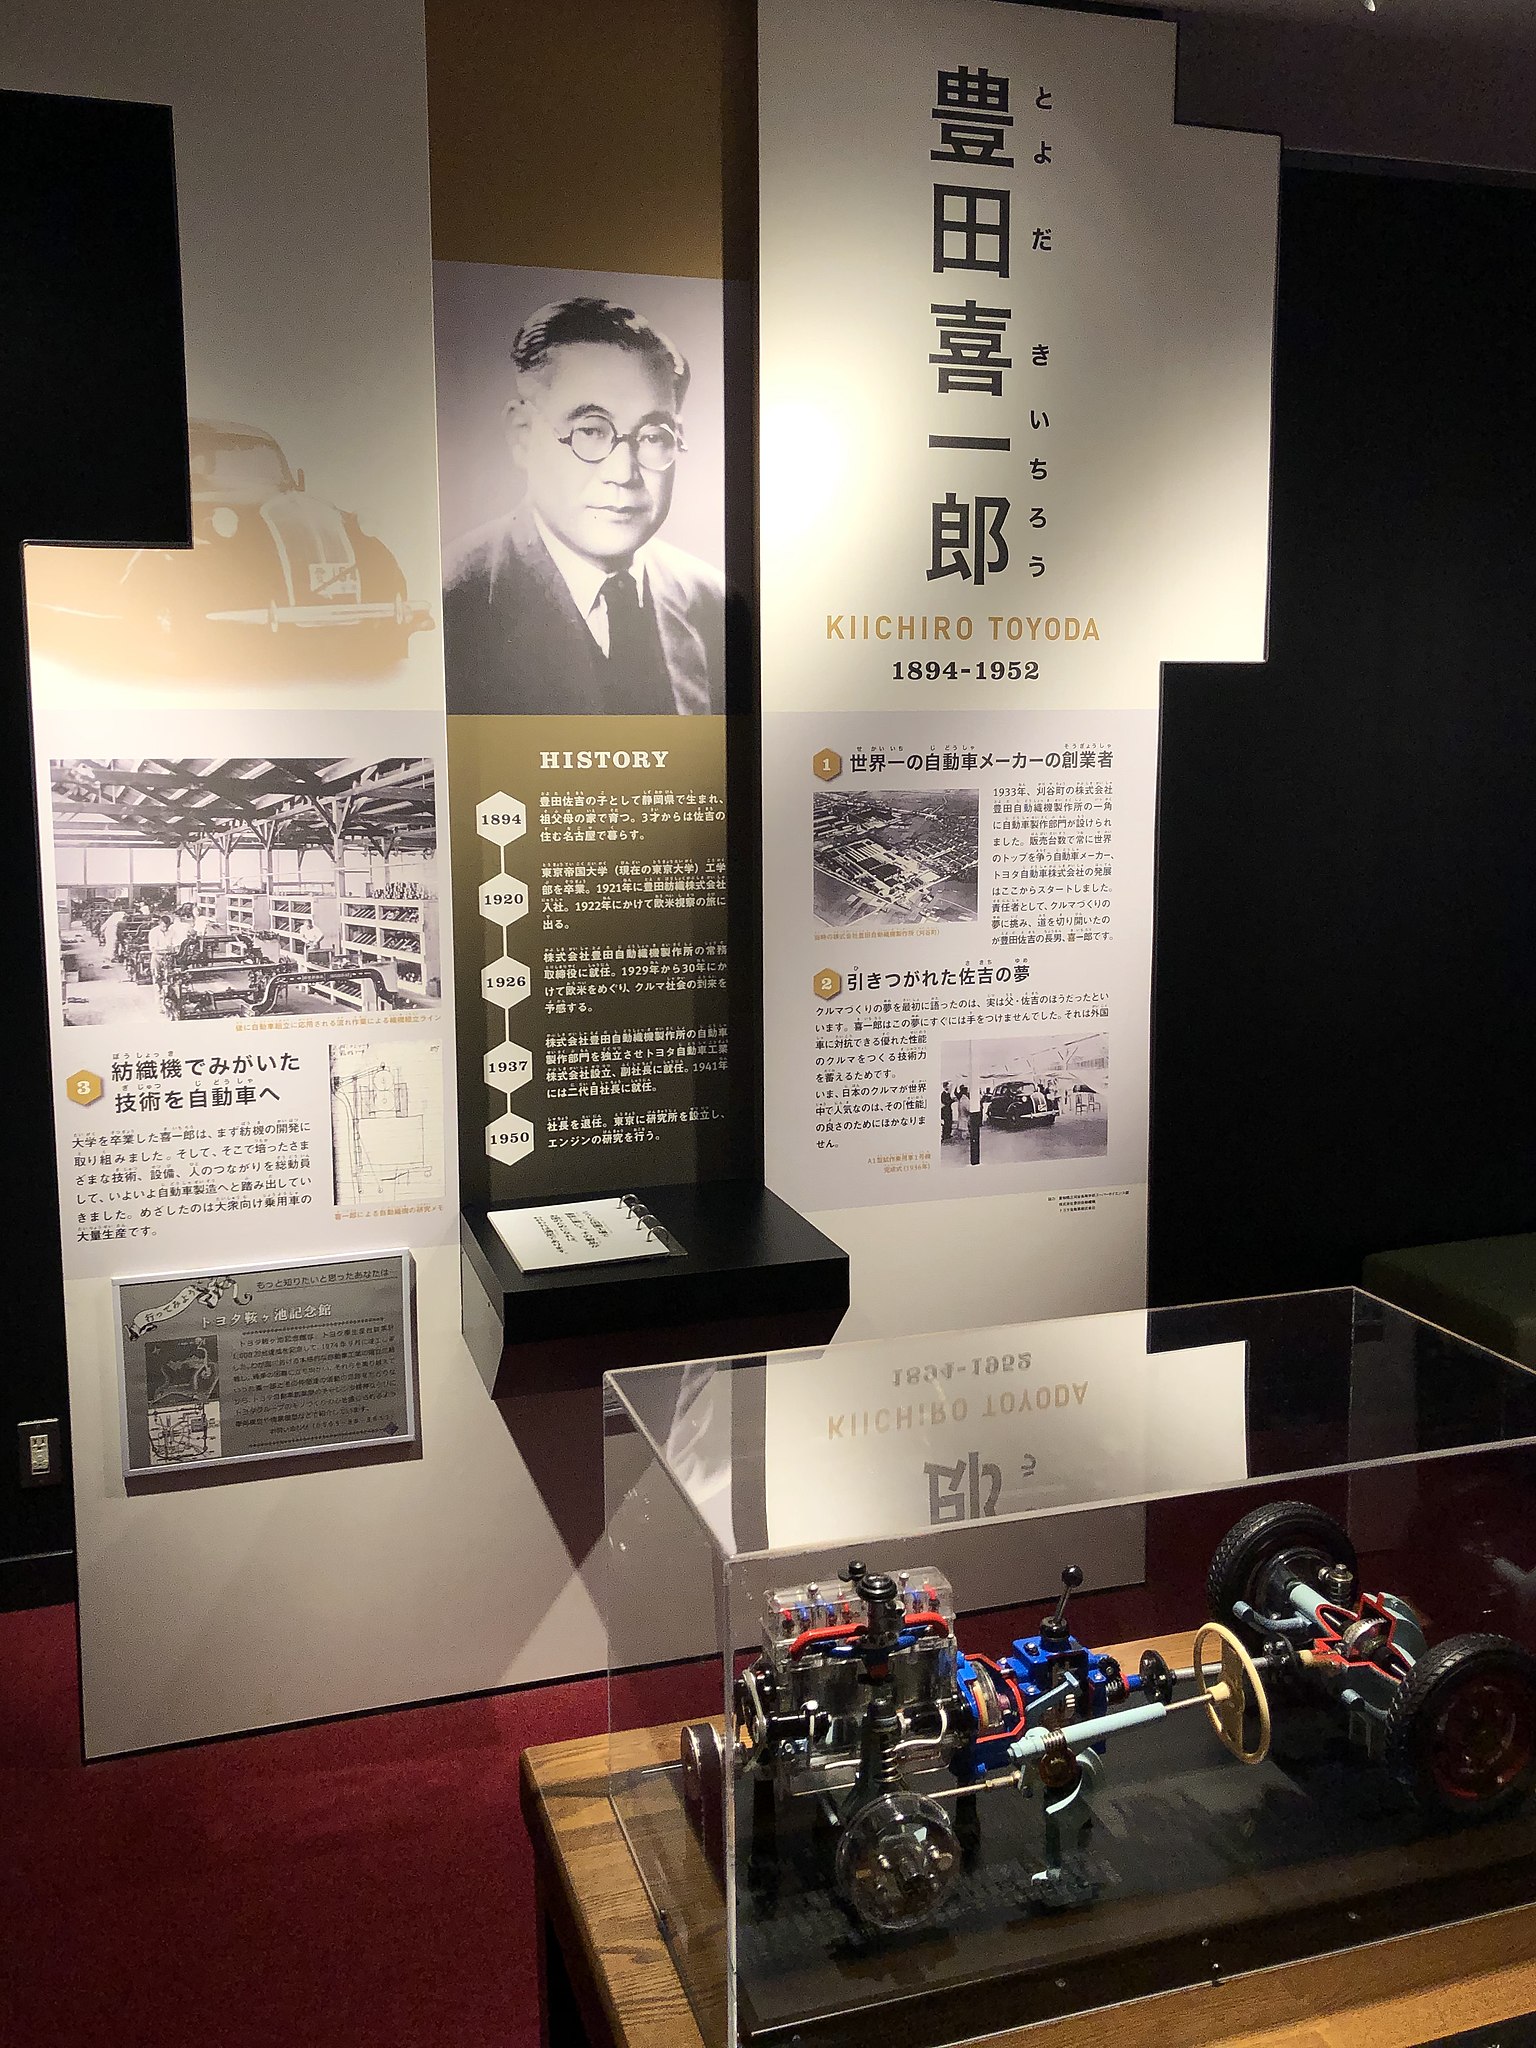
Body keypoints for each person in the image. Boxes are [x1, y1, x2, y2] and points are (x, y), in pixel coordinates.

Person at [443, 296, 724, 716]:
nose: (623, 472)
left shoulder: (714, 602)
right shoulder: (448, 604)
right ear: (522, 434)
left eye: (652, 436)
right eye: (591, 430)